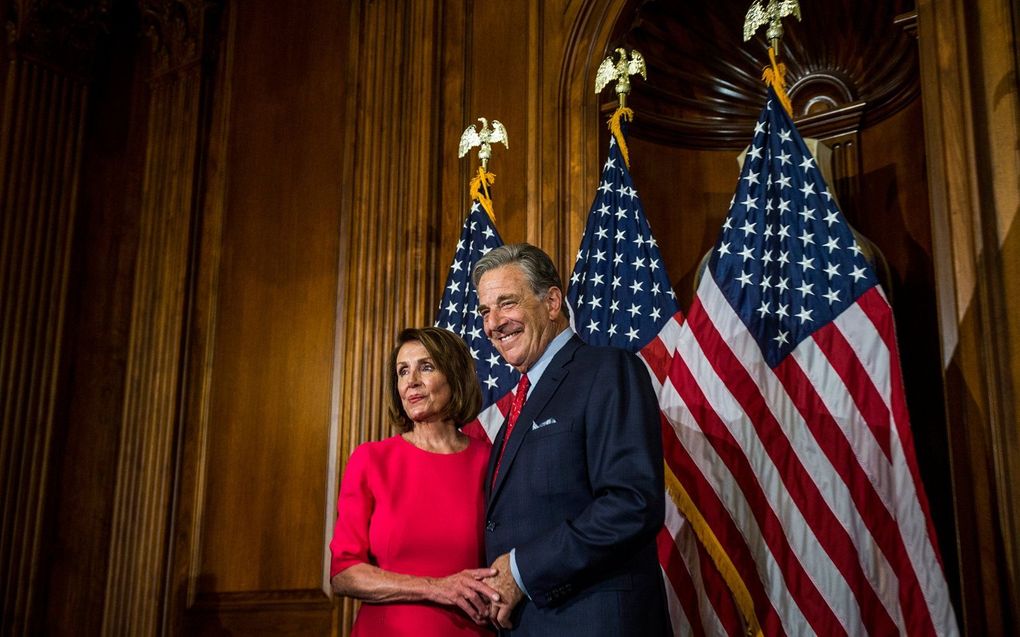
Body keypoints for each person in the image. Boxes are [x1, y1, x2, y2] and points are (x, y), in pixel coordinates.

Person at [472, 243, 670, 636]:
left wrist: (521, 570)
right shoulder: (519, 402)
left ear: (551, 302)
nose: (493, 323)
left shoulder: (608, 370)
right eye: (484, 311)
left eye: (507, 303)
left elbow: (631, 504)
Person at [330, 327, 500, 636]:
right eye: (402, 371)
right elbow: (344, 573)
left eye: (427, 366)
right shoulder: (371, 460)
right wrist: (436, 588)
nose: (412, 381)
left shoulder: (491, 462)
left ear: (455, 376)